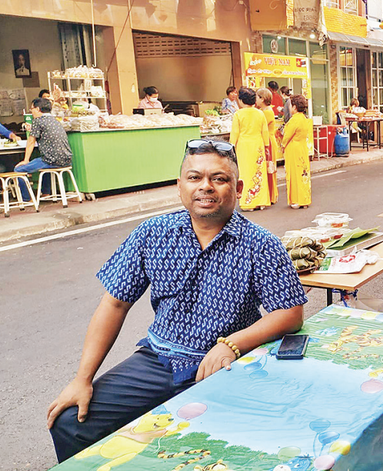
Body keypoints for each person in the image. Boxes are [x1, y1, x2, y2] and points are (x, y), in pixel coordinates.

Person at [47, 139, 308, 462]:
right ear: (179, 186)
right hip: (158, 359)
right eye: (195, 177)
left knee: (227, 449)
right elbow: (114, 304)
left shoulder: (261, 244)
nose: (206, 187)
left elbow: (290, 313)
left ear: (237, 188)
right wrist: (81, 379)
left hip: (225, 367)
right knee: (70, 422)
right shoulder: (152, 233)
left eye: (219, 179)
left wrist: (232, 343)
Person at [15, 98, 72, 200]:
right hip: (66, 160)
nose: (31, 111)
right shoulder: (55, 121)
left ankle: (27, 199)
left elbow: (31, 141)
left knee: (18, 169)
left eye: (32, 109)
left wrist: (26, 160)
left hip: (51, 160)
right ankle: (46, 192)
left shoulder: (38, 121)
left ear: (37, 109)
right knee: (44, 164)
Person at [230, 87, 272, 211]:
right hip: (258, 145)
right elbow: (265, 132)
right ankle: (261, 201)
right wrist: (266, 146)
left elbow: (235, 134)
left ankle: (248, 202)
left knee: (245, 173)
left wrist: (231, 147)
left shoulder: (238, 114)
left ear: (241, 101)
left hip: (243, 147)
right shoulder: (260, 113)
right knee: (259, 172)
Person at [281, 95, 312, 209]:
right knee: (303, 173)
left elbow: (287, 135)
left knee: (294, 173)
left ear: (294, 107)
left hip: (293, 148)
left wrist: (283, 145)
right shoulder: (304, 118)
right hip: (302, 147)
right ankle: (304, 199)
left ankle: (297, 199)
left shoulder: (294, 120)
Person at [255, 88, 280, 205]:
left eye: (257, 97)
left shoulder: (266, 113)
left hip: (268, 141)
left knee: (268, 168)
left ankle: (270, 195)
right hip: (269, 140)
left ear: (262, 98)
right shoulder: (265, 111)